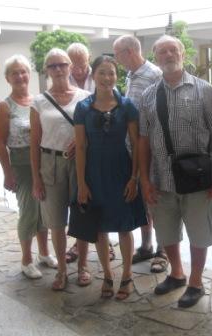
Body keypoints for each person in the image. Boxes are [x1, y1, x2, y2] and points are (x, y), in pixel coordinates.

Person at [139, 35, 212, 308]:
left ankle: (196, 282)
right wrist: (145, 179)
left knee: (199, 233)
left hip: (198, 179)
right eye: (162, 51)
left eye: (172, 49)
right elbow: (143, 141)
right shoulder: (148, 95)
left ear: (182, 53)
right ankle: (177, 274)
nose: (168, 55)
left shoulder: (204, 90)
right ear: (156, 58)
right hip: (162, 179)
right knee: (167, 232)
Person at [74, 55, 147, 299]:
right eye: (102, 72)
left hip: (121, 172)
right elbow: (81, 147)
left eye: (112, 73)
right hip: (94, 174)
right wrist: (82, 183)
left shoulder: (127, 106)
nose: (107, 78)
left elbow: (136, 144)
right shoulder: (83, 108)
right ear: (93, 75)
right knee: (99, 228)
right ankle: (107, 274)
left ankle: (127, 275)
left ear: (117, 76)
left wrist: (134, 178)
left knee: (125, 227)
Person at [30, 48, 90, 290]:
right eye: (52, 66)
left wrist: (83, 140)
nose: (58, 70)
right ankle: (62, 271)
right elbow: (34, 143)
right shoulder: (39, 102)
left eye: (62, 64)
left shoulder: (85, 96)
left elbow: (94, 131)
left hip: (80, 163)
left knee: (82, 215)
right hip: (50, 163)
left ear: (70, 67)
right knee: (56, 220)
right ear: (46, 70)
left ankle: (83, 266)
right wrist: (36, 178)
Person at [0, 54, 57, 279]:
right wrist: (7, 173)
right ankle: (26, 260)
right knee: (29, 210)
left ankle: (44, 254)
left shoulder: (39, 100)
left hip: (43, 161)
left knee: (44, 211)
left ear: (29, 75)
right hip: (21, 164)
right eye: (15, 73)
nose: (20, 76)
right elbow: (0, 143)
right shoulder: (5, 106)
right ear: (8, 78)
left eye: (23, 72)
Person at [113, 35, 168, 273]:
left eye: (117, 55)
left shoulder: (154, 74)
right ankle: (146, 246)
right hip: (134, 149)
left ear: (129, 52)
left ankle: (163, 251)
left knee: (158, 201)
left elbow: (161, 113)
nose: (116, 60)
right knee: (143, 200)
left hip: (153, 149)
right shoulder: (131, 75)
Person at [66, 42, 116, 264]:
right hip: (77, 146)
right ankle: (81, 244)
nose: (77, 68)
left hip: (103, 152)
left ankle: (107, 243)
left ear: (88, 61)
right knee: (84, 202)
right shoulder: (63, 79)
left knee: (105, 202)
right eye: (73, 64)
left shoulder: (101, 76)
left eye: (81, 63)